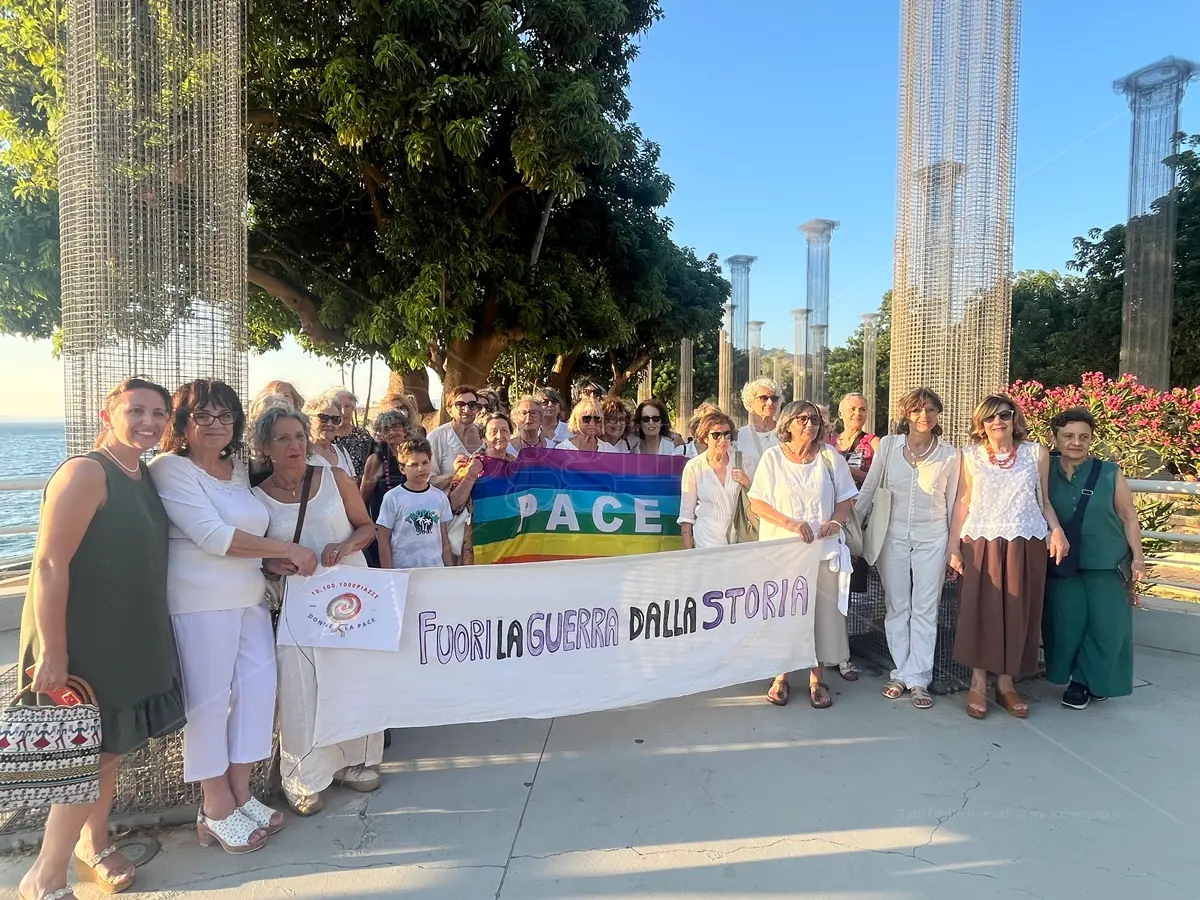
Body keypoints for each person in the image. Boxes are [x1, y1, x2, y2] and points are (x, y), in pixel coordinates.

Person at [17, 378, 185, 900]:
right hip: (80, 640)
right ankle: (44, 876)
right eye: (136, 411)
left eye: (159, 413)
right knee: (81, 759)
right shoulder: (87, 471)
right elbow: (47, 562)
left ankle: (93, 841)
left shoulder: (142, 474)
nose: (149, 422)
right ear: (106, 413)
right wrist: (54, 650)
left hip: (127, 637)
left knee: (109, 749)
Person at [150, 379, 317, 852]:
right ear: (181, 424)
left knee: (259, 692)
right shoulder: (171, 470)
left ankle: (242, 793)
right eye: (202, 415)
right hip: (200, 603)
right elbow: (214, 536)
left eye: (224, 415)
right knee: (208, 703)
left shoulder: (236, 468)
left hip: (248, 597)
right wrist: (286, 547)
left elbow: (246, 536)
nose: (215, 425)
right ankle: (215, 805)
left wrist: (270, 560)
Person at [252, 405, 383, 815]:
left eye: (299, 436)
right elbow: (258, 556)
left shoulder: (334, 478)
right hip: (299, 603)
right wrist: (277, 563)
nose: (294, 445)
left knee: (354, 675)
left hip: (351, 593)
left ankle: (355, 761)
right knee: (299, 683)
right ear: (264, 447)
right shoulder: (256, 499)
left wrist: (343, 547)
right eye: (283, 439)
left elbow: (367, 527)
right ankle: (303, 776)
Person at [948, 394, 1069, 720]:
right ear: (981, 424)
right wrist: (953, 546)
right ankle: (977, 681)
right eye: (990, 417)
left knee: (1017, 611)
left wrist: (1055, 529)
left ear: (1015, 418)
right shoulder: (969, 455)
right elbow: (963, 501)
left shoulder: (1036, 453)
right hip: (980, 540)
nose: (998, 422)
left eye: (1004, 414)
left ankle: (1005, 683)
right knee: (979, 610)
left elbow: (1043, 500)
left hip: (1024, 540)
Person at [855, 388, 960, 710]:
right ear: (906, 415)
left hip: (933, 537)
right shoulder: (888, 446)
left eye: (930, 409)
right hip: (893, 536)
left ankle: (919, 679)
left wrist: (954, 548)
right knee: (897, 605)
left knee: (926, 609)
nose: (923, 415)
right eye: (916, 410)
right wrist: (850, 528)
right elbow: (870, 488)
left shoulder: (951, 455)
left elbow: (955, 504)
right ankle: (901, 672)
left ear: (937, 413)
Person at [749, 400, 858, 709]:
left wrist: (835, 521)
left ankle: (816, 678)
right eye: (802, 419)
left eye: (813, 419)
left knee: (818, 618)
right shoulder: (772, 458)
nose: (809, 424)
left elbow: (846, 497)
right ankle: (780, 676)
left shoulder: (829, 456)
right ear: (788, 424)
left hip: (822, 553)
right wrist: (790, 523)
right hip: (781, 553)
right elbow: (757, 502)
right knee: (783, 613)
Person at [1043, 408, 1145, 709]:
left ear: (1091, 440)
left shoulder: (1109, 472)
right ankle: (1079, 678)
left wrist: (1138, 557)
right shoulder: (1043, 469)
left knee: (1108, 625)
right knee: (1066, 623)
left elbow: (1128, 516)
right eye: (1069, 436)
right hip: (1063, 562)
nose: (1076, 442)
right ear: (1055, 437)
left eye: (1083, 437)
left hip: (1107, 560)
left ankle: (1086, 682)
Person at [377, 438, 455, 569]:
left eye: (425, 463)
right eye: (413, 464)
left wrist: (449, 569)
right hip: (403, 570)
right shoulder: (393, 497)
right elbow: (383, 538)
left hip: (434, 570)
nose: (421, 468)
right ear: (402, 468)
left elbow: (443, 537)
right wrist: (388, 573)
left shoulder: (439, 497)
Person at [450, 414, 518, 565]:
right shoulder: (470, 464)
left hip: (512, 542)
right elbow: (454, 503)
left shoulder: (518, 466)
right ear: (483, 437)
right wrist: (471, 475)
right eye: (493, 432)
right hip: (480, 540)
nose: (500, 436)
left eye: (505, 431)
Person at [678, 411, 748, 549]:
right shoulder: (694, 466)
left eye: (727, 434)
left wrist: (747, 483)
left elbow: (758, 500)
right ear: (705, 438)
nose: (723, 440)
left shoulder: (743, 460)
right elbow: (686, 514)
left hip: (739, 541)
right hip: (706, 541)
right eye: (716, 435)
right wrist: (688, 552)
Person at [359, 410, 411, 568]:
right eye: (386, 429)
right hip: (383, 525)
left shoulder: (415, 455)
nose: (392, 432)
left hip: (410, 522)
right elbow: (363, 496)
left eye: (396, 426)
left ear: (404, 429)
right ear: (380, 434)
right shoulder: (376, 460)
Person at [427, 385, 483, 489]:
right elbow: (427, 481)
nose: (466, 409)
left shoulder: (487, 435)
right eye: (460, 405)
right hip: (449, 503)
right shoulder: (436, 438)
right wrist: (457, 474)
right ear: (449, 411)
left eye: (472, 404)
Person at [736, 378, 782, 480]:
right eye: (763, 398)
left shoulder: (786, 433)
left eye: (774, 398)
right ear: (750, 402)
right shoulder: (739, 436)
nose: (770, 402)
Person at [832, 392, 880, 487]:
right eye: (852, 409)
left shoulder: (873, 442)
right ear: (840, 414)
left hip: (861, 499)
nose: (857, 413)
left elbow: (882, 478)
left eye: (862, 409)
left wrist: (851, 472)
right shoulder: (830, 443)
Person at [303, 394, 355, 475]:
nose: (329, 424)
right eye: (323, 418)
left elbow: (352, 483)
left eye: (335, 419)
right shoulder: (302, 453)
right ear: (308, 420)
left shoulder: (342, 452)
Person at [330, 388, 373, 478]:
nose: (343, 411)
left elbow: (371, 468)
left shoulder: (363, 436)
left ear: (353, 409)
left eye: (347, 406)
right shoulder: (325, 437)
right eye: (338, 406)